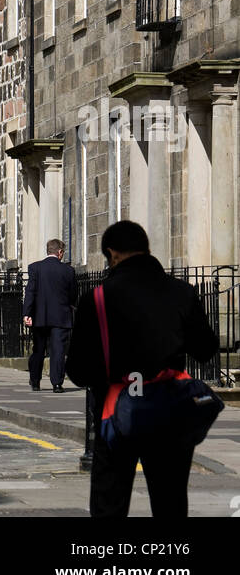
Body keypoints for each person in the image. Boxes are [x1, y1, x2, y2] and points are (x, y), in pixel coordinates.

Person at [65, 220, 219, 519]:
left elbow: (79, 370)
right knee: (170, 501)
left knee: (110, 501)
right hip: (170, 409)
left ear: (112, 254)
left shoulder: (96, 298)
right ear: (146, 249)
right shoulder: (182, 292)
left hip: (117, 410)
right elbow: (206, 349)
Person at [22, 238, 77, 391]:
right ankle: (57, 383)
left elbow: (30, 292)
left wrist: (27, 313)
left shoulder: (35, 268)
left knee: (38, 350)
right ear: (59, 252)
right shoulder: (68, 271)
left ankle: (35, 381)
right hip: (61, 317)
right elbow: (73, 295)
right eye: (63, 253)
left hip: (39, 317)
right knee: (58, 350)